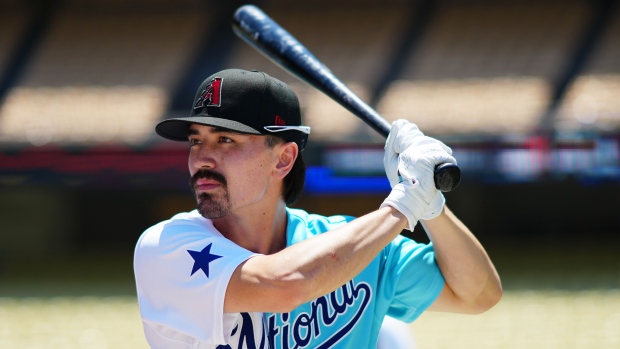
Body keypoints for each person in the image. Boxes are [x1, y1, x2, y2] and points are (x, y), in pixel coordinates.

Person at [133, 68, 502, 349]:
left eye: (225, 140)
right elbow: (285, 285)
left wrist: (431, 203)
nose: (202, 158)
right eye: (196, 140)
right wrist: (404, 205)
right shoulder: (165, 247)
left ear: (283, 159)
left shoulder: (355, 245)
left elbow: (478, 294)